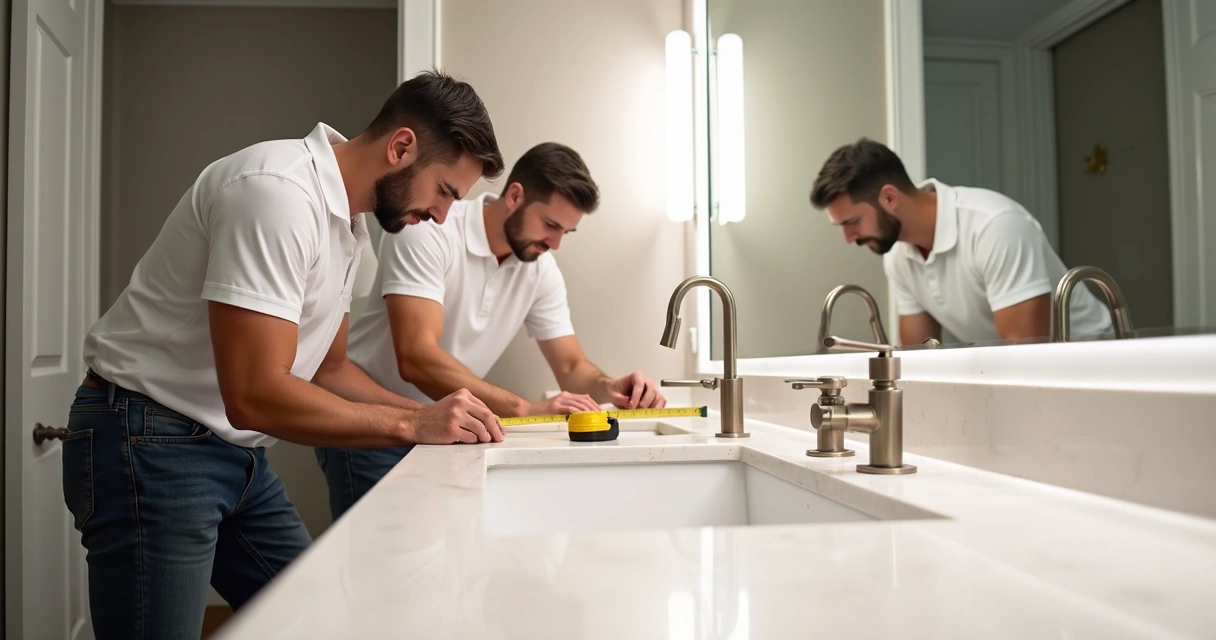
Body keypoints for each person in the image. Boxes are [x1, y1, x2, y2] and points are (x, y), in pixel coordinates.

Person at [60, 70, 505, 640]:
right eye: (444, 191)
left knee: (321, 623)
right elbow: (254, 393)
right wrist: (412, 420)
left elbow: (330, 368)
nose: (443, 216)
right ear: (401, 147)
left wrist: (432, 423)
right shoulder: (276, 192)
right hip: (149, 438)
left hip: (234, 453)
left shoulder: (349, 227)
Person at [316, 142, 666, 519]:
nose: (555, 243)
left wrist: (608, 387)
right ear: (515, 195)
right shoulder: (429, 226)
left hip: (449, 429)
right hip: (372, 420)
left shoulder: (539, 268)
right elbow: (416, 358)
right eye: (550, 225)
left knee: (432, 558)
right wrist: (525, 409)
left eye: (567, 231)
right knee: (380, 562)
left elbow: (571, 367)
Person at [810, 137, 1112, 345]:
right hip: (1024, 374)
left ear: (889, 197)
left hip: (1097, 367)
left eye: (851, 222)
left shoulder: (994, 226)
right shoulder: (898, 256)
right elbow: (920, 359)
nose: (849, 238)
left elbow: (1025, 353)